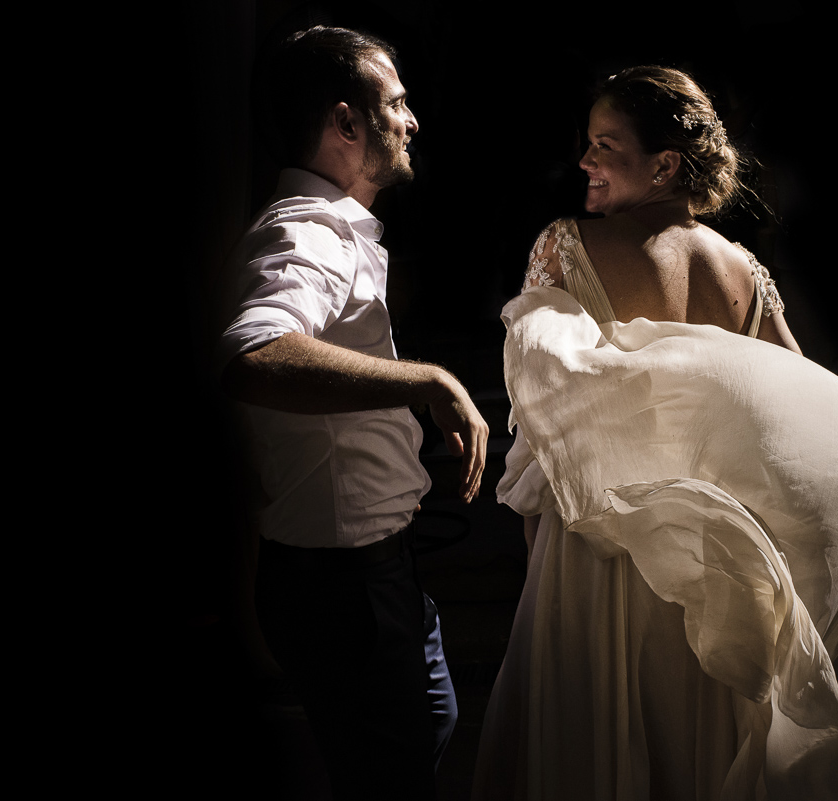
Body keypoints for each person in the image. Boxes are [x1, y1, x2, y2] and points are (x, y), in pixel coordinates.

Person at [473, 66, 838, 800]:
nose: (585, 161)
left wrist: (538, 558)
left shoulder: (566, 245)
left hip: (605, 552)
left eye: (605, 145)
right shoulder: (744, 270)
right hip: (722, 563)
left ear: (663, 164)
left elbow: (548, 423)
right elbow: (799, 410)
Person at [218, 26, 488, 800]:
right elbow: (252, 353)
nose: (411, 120)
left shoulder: (337, 228)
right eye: (396, 103)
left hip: (373, 576)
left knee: (424, 728)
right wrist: (423, 380)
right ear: (345, 124)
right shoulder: (305, 233)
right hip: (341, 591)